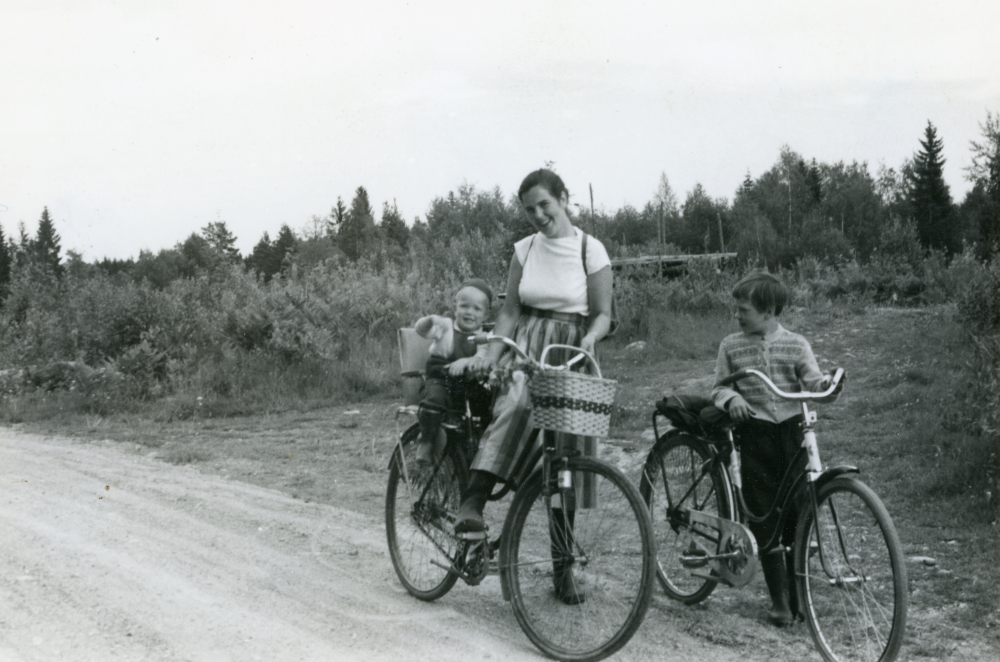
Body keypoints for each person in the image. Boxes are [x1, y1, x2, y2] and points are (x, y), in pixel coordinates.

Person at [460, 168, 614, 605]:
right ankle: (472, 502)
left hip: (572, 353)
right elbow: (509, 310)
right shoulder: (525, 249)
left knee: (566, 457)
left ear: (563, 199)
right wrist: (491, 355)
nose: (538, 215)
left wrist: (591, 337)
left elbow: (603, 312)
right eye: (529, 209)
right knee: (516, 404)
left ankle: (562, 572)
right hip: (527, 347)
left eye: (545, 204)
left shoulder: (591, 249)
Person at [711, 272, 841, 626]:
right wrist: (732, 397)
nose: (737, 316)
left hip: (791, 433)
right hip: (755, 434)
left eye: (744, 310)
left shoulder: (796, 343)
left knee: (798, 513)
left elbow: (811, 378)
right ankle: (780, 600)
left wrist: (825, 384)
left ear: (769, 310)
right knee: (764, 514)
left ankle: (801, 597)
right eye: (736, 310)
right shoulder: (730, 346)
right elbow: (718, 388)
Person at [413, 279, 494, 466]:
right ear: (455, 307)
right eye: (464, 306)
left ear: (485, 315)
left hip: (468, 384)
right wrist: (429, 322)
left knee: (490, 402)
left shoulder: (484, 337)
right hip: (440, 378)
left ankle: (481, 448)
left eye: (476, 309)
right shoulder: (446, 325)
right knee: (434, 399)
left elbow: (483, 356)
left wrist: (466, 361)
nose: (469, 312)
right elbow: (422, 330)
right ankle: (426, 441)